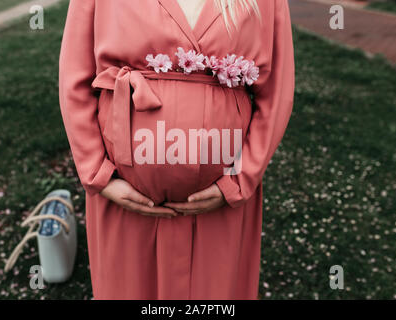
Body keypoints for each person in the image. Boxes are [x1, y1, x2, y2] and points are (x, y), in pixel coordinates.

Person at [59, 0, 295, 300]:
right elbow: (74, 82)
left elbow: (277, 92)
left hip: (221, 203)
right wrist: (98, 174)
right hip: (125, 200)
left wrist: (240, 179)